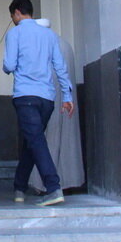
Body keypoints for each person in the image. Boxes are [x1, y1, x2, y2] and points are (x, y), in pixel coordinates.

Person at [2, 0, 74, 207]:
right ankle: (19, 187)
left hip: (25, 96)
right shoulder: (49, 35)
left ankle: (53, 188)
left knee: (35, 141)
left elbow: (9, 65)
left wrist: (7, 67)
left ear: (17, 12)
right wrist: (67, 96)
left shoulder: (14, 33)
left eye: (12, 16)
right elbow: (60, 67)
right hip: (47, 99)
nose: (13, 19)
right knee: (32, 141)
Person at [28, 19, 85, 193]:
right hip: (67, 101)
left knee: (47, 139)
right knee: (67, 139)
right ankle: (70, 180)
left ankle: (44, 184)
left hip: (47, 99)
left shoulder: (42, 46)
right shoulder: (66, 45)